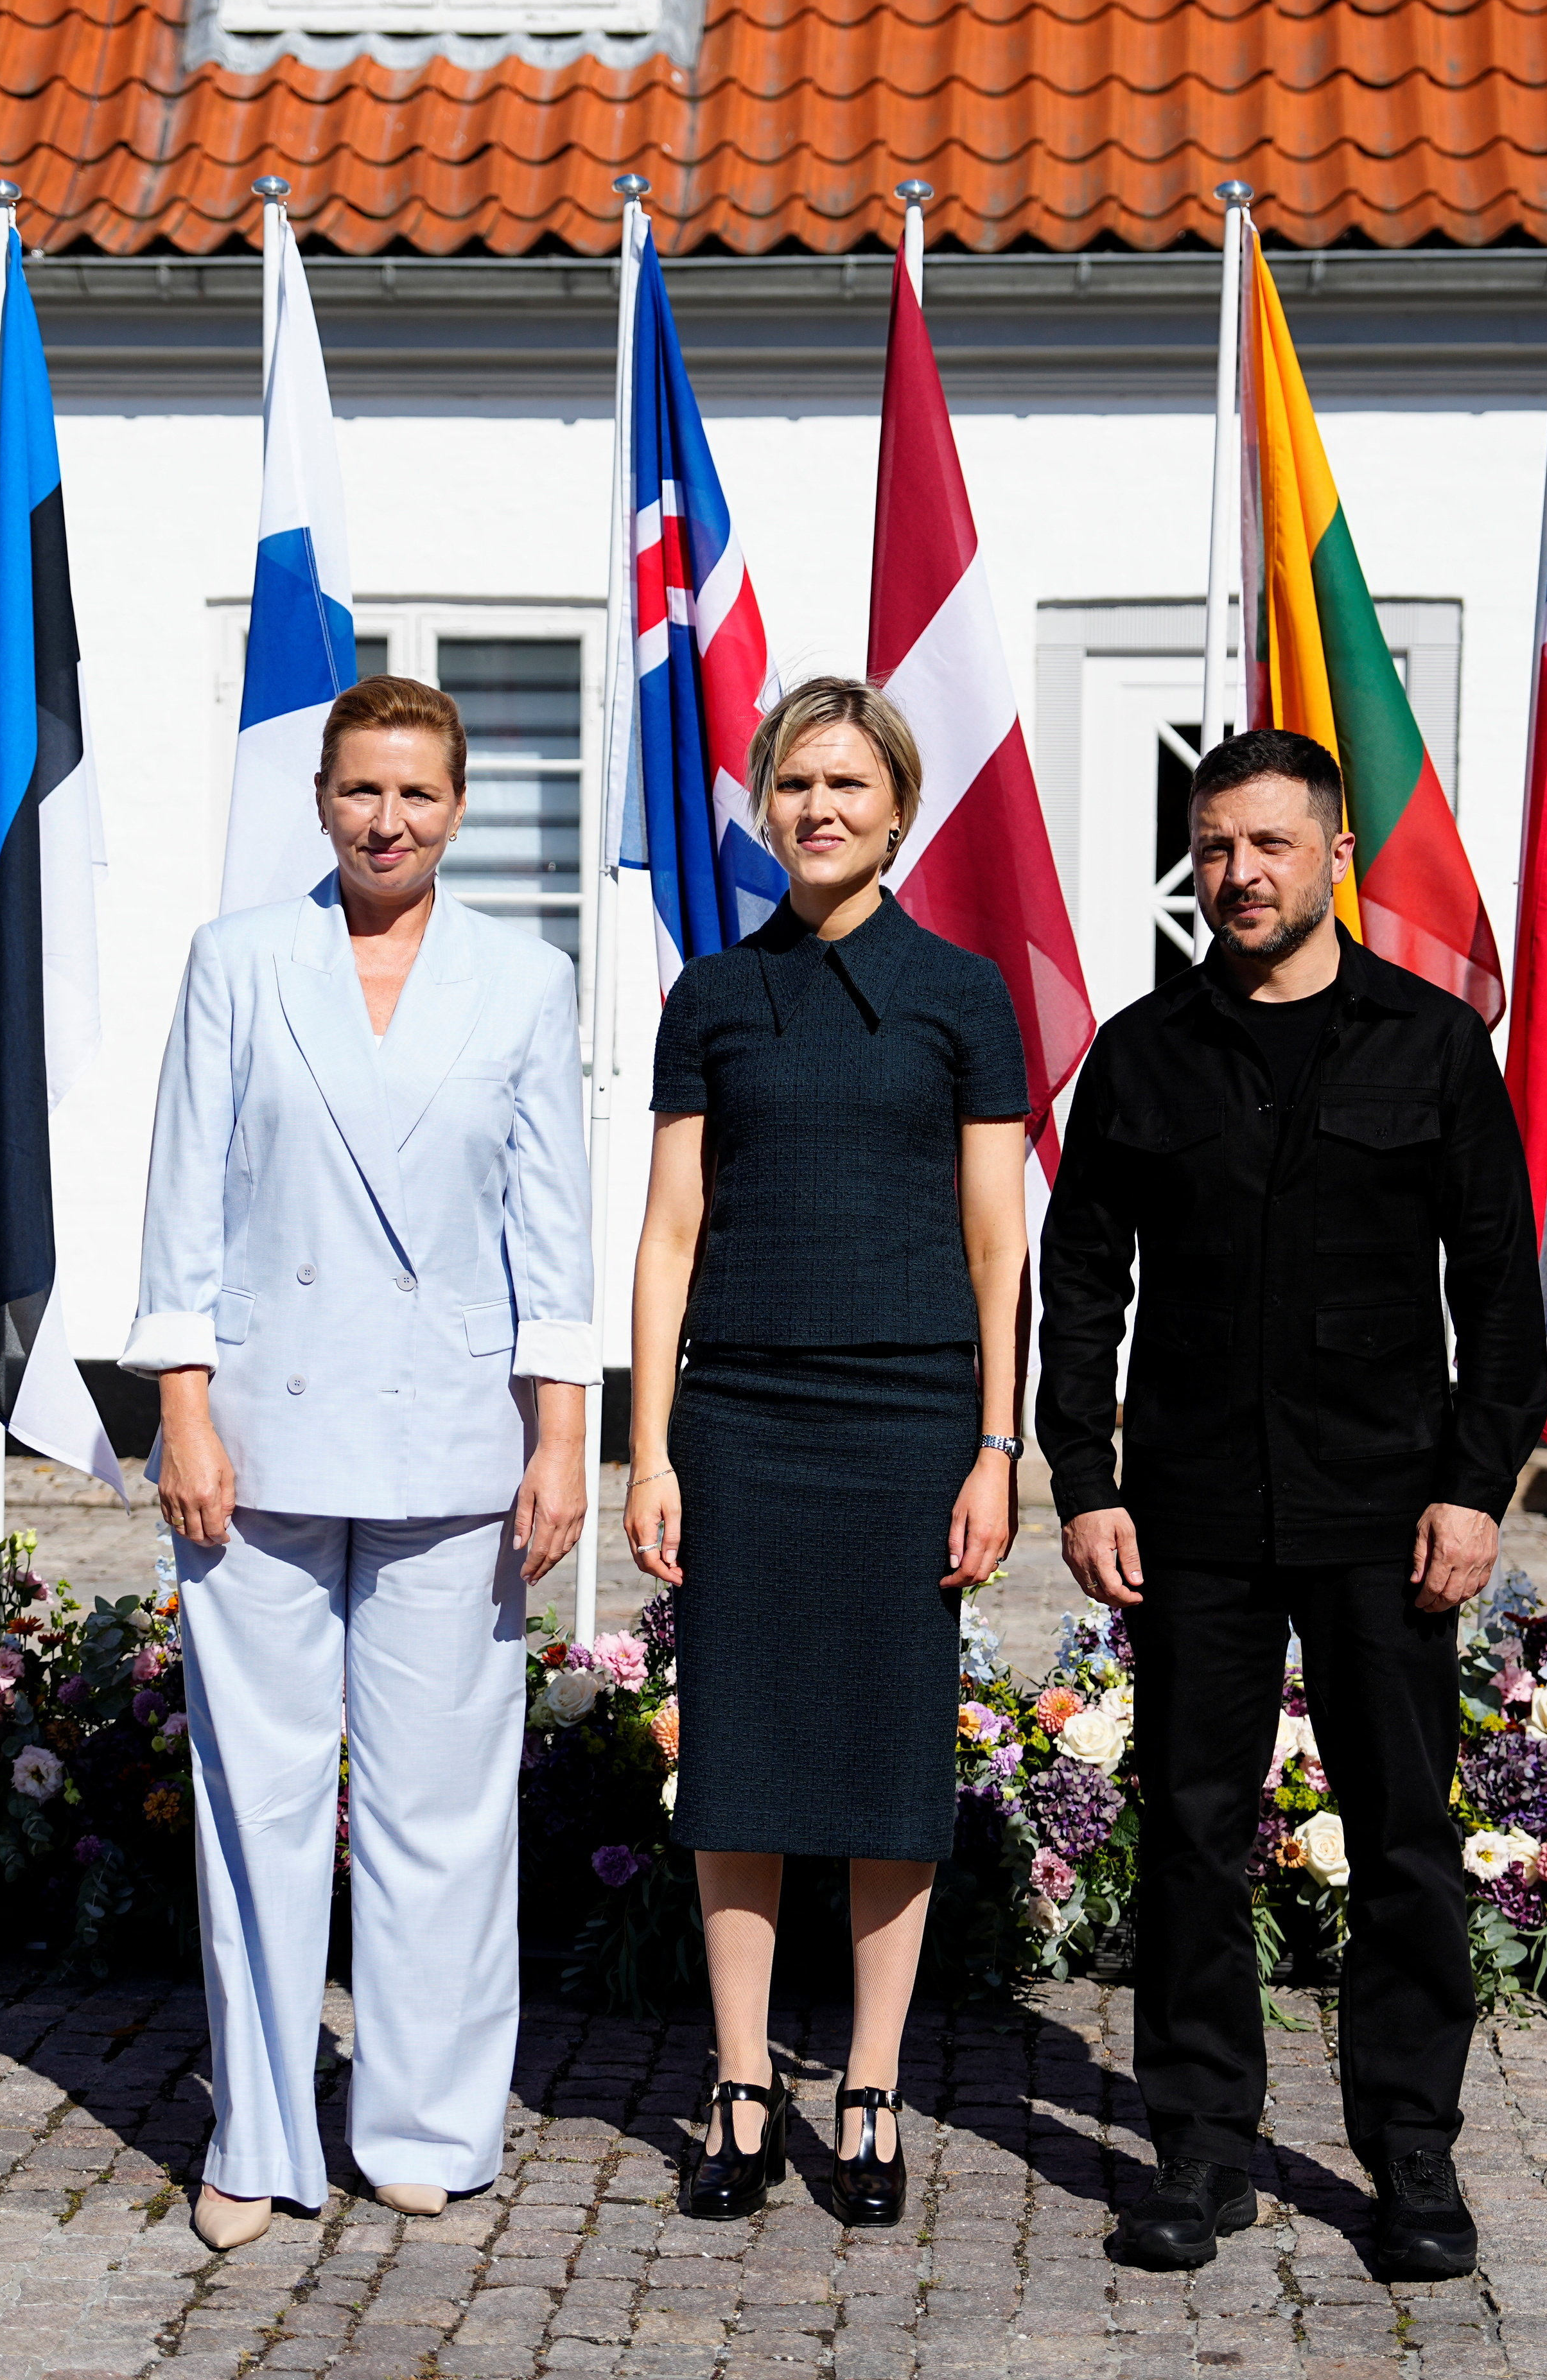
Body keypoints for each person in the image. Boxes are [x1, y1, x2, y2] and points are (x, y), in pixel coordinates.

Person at [1035, 726, 1541, 2280]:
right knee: (1194, 1834)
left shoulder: (1433, 1046)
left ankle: (1412, 2155)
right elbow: (1081, 1285)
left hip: (1387, 1515)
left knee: (1404, 1840)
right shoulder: (1144, 1054)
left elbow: (1500, 1294)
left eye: (1269, 844)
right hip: (1192, 1512)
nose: (1239, 873)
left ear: (1336, 856)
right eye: (1215, 846)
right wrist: (1085, 1479)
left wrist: (1474, 1489)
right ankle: (1200, 2149)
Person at [121, 675, 593, 2253]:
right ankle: (255, 2136)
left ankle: (427, 2121)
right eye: (360, 791)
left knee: (442, 1806)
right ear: (321, 798)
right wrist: (185, 1408)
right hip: (256, 1437)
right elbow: (184, 1200)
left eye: (417, 794)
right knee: (255, 1799)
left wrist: (562, 1435)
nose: (388, 822)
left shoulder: (525, 982)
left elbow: (553, 1228)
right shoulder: (239, 960)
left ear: (459, 808)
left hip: (456, 1441)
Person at [624, 676, 1031, 2228]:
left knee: (883, 1755)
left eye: (848, 785)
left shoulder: (963, 997)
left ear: (898, 809)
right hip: (740, 1419)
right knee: (738, 1755)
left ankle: (868, 2084)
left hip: (911, 1421)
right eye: (795, 784)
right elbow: (671, 1235)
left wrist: (996, 1447)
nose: (818, 810)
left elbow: (997, 1246)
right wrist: (650, 1448)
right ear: (765, 805)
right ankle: (741, 2082)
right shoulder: (714, 997)